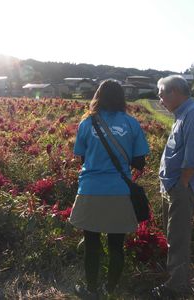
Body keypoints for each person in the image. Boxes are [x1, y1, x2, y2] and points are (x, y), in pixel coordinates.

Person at [69, 80, 149, 299]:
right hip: (119, 191)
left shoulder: (87, 124)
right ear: (121, 98)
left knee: (92, 244)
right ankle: (110, 290)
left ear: (98, 96)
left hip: (90, 189)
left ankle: (91, 290)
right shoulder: (131, 124)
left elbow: (83, 158)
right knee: (116, 245)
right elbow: (139, 161)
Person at [151, 75, 194, 299]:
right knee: (172, 235)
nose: (159, 99)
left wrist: (181, 186)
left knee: (178, 239)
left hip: (181, 189)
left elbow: (193, 157)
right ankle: (173, 279)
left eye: (161, 93)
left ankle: (176, 287)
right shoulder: (182, 114)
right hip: (174, 187)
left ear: (174, 91)